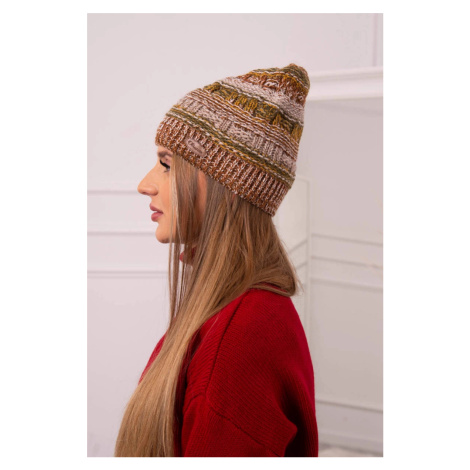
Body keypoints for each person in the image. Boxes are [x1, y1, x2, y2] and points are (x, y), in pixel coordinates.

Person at [114, 63, 319, 457]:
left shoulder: (240, 335)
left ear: (228, 184)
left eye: (167, 165)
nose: (145, 184)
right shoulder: (236, 313)